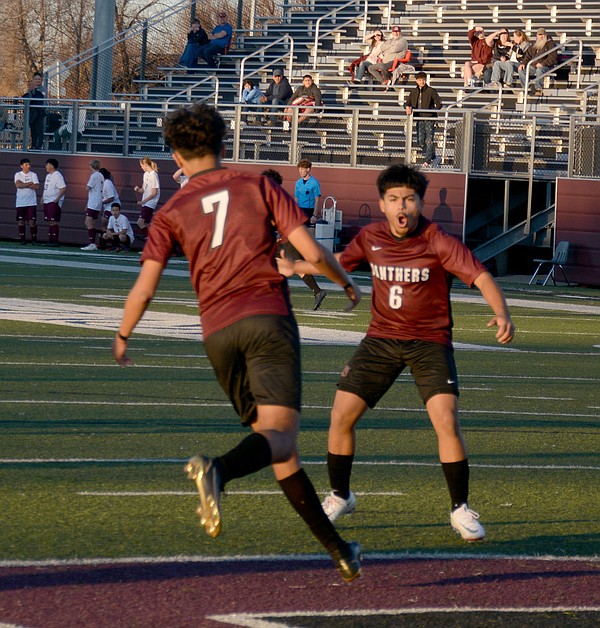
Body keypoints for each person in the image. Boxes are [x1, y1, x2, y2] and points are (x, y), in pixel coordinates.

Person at [112, 102, 362, 583]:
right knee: (280, 438)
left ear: (176, 158)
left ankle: (338, 550)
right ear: (223, 145)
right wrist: (344, 282)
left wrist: (123, 334)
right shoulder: (255, 184)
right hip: (265, 318)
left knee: (276, 447)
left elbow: (145, 287)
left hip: (217, 334)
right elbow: (309, 250)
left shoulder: (171, 211)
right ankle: (218, 470)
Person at [277, 164, 515, 543]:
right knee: (340, 415)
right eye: (393, 199)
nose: (401, 206)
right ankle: (341, 496)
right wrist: (296, 266)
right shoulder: (370, 236)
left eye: (408, 198)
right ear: (382, 204)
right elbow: (337, 262)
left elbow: (482, 277)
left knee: (446, 420)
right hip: (381, 341)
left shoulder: (439, 240)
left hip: (429, 343)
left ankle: (460, 509)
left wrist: (501, 313)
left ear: (420, 203)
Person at [293, 159, 327, 310]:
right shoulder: (298, 183)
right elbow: (296, 198)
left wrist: (314, 214)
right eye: (300, 169)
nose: (301, 171)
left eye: (303, 169)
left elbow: (316, 198)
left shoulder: (314, 183)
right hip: (300, 211)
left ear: (309, 169)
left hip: (309, 211)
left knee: (311, 238)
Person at [404, 72, 443, 167]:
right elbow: (407, 103)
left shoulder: (431, 91)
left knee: (429, 140)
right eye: (419, 80)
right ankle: (434, 157)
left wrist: (431, 111)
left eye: (423, 80)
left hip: (429, 119)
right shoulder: (413, 92)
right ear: (416, 81)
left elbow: (439, 104)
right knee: (420, 142)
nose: (421, 82)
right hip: (419, 119)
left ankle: (427, 161)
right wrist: (407, 107)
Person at [518, 28, 557, 97]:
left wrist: (543, 64)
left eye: (543, 35)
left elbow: (552, 58)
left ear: (546, 35)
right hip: (533, 66)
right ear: (537, 36)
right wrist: (523, 63)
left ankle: (538, 89)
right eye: (539, 35)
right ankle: (526, 88)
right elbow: (528, 56)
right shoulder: (534, 45)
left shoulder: (551, 45)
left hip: (547, 66)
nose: (541, 37)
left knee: (540, 70)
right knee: (522, 70)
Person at [133, 156, 160, 240]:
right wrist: (138, 189)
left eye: (141, 165)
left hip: (150, 203)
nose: (141, 168)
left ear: (145, 164)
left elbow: (154, 193)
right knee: (146, 223)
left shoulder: (154, 175)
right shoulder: (146, 174)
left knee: (140, 222)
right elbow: (143, 189)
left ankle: (151, 239)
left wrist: (143, 201)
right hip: (146, 203)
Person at [14, 157, 40, 245]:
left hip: (31, 202)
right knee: (21, 221)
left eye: (29, 164)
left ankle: (34, 239)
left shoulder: (33, 174)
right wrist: (29, 183)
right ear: (21, 166)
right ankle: (22, 239)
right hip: (21, 202)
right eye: (26, 165)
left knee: (32, 221)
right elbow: (18, 185)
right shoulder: (18, 174)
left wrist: (24, 184)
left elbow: (36, 186)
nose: (28, 166)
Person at [81, 159, 104, 251]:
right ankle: (93, 241)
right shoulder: (101, 175)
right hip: (97, 202)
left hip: (93, 202)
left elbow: (88, 187)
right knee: (91, 223)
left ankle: (92, 243)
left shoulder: (94, 176)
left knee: (88, 222)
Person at [42, 158, 66, 247]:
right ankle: (50, 240)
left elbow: (63, 188)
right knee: (49, 221)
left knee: (53, 221)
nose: (46, 167)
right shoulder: (48, 176)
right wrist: (43, 198)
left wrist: (57, 199)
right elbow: (46, 188)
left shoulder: (58, 176)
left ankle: (55, 241)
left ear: (52, 166)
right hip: (47, 201)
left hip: (53, 201)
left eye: (47, 165)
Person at [23, 72, 46, 150]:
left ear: (41, 80)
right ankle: (33, 145)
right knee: (33, 131)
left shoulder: (43, 89)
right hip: (32, 114)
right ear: (33, 80)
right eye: (36, 79)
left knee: (39, 130)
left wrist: (34, 93)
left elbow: (39, 100)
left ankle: (38, 146)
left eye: (39, 79)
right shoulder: (30, 89)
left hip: (39, 114)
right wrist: (30, 91)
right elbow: (27, 99)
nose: (37, 81)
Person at [100, 167, 121, 231]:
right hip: (107, 207)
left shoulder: (107, 183)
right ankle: (105, 237)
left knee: (105, 221)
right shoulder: (102, 184)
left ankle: (106, 237)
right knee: (104, 224)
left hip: (112, 206)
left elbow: (111, 198)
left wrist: (101, 203)